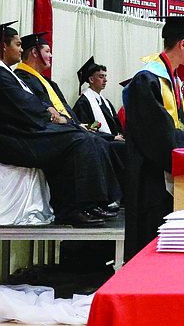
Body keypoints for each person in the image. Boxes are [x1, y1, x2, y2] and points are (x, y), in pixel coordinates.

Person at [0, 22, 114, 226]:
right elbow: (22, 104)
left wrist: (48, 111)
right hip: (13, 138)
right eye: (17, 44)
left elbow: (28, 100)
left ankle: (88, 204)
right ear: (3, 47)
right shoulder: (2, 75)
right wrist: (48, 113)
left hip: (24, 131)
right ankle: (70, 209)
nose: (19, 49)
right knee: (78, 140)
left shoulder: (8, 73)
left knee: (83, 137)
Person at [123, 16, 184, 260]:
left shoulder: (173, 80)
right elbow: (160, 138)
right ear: (183, 44)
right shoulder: (147, 79)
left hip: (165, 175)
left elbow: (180, 126)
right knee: (150, 245)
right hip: (150, 178)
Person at [73, 57, 124, 138]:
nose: (105, 80)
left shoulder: (106, 102)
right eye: (101, 77)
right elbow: (87, 130)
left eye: (105, 76)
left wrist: (120, 135)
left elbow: (117, 123)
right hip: (98, 143)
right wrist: (112, 138)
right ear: (91, 79)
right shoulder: (83, 103)